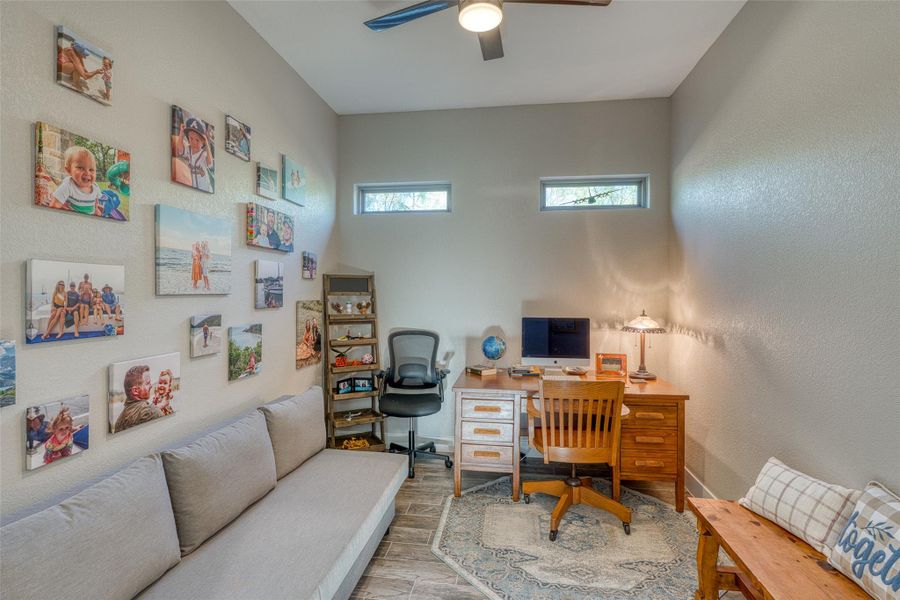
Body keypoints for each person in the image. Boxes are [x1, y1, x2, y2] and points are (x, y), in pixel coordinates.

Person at [51, 146, 101, 215]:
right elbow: (54, 205)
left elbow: (96, 202)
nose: (87, 173)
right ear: (69, 170)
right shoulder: (68, 186)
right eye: (81, 168)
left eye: (91, 170)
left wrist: (96, 210)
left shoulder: (95, 187)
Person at [113, 365, 162, 433]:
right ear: (135, 391)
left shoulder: (119, 421)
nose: (151, 385)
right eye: (147, 383)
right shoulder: (151, 411)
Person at [173, 117, 214, 192]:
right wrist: (181, 133)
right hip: (193, 188)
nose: (194, 142)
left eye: (197, 140)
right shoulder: (188, 149)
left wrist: (207, 144)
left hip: (205, 188)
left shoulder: (203, 154)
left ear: (202, 142)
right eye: (191, 138)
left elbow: (210, 164)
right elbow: (180, 150)